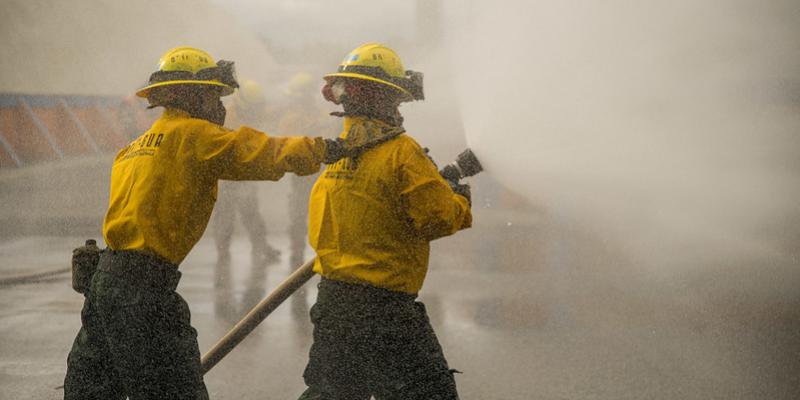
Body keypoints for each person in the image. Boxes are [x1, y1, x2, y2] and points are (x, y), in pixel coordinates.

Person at [63, 46, 347, 400]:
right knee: (174, 390)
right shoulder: (193, 135)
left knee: (92, 387)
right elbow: (257, 151)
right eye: (215, 96)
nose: (222, 108)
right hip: (143, 291)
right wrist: (324, 149)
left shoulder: (134, 147)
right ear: (194, 97)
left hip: (105, 284)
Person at [298, 43, 473, 400]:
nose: (399, 110)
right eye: (395, 101)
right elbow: (437, 219)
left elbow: (372, 209)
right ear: (384, 99)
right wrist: (459, 200)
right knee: (428, 393)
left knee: (334, 394)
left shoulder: (341, 152)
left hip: (334, 303)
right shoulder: (402, 151)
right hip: (385, 311)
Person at [212, 79, 281, 315]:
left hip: (244, 171)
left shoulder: (251, 111)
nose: (257, 111)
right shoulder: (229, 119)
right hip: (227, 173)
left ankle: (260, 246)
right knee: (225, 213)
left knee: (251, 210)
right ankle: (223, 251)